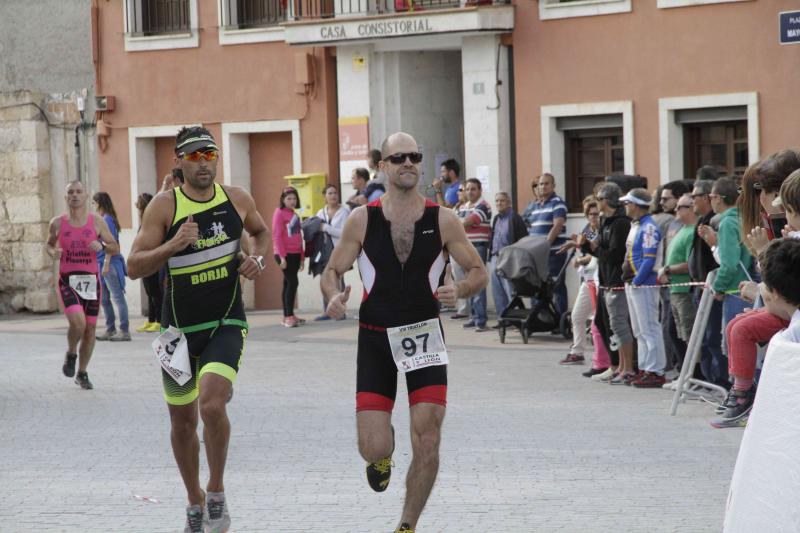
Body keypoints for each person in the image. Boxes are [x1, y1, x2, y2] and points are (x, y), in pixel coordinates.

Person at [322, 132, 488, 533]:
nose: (408, 163)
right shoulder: (363, 219)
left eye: (415, 156)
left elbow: (480, 271)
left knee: (428, 436)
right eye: (399, 158)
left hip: (424, 335)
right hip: (376, 338)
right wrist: (332, 297)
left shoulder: (443, 219)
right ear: (383, 165)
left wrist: (461, 289)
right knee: (372, 446)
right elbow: (332, 270)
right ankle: (384, 452)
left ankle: (407, 525)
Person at [127, 126, 270, 533]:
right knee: (182, 423)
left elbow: (260, 234)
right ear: (179, 161)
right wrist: (172, 245)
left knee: (211, 404)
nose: (203, 163)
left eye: (209, 155)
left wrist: (257, 261)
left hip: (226, 322)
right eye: (194, 156)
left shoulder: (237, 199)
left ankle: (217, 490)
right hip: (178, 334)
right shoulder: (164, 207)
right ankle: (194, 499)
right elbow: (134, 265)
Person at [47, 180, 120, 390]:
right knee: (78, 323)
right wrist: (54, 253)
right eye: (71, 192)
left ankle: (82, 372)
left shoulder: (96, 222)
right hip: (68, 280)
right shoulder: (58, 223)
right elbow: (48, 244)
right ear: (66, 197)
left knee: (90, 329)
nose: (75, 196)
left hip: (91, 281)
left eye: (79, 192)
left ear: (86, 196)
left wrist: (103, 245)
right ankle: (71, 352)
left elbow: (115, 246)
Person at [578, 182, 635, 384]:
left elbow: (613, 255)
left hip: (616, 281)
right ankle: (615, 365)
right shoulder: (605, 221)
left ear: (608, 201)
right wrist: (585, 245)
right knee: (603, 324)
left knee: (618, 325)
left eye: (600, 199)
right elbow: (600, 248)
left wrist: (591, 248)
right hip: (604, 281)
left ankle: (626, 366)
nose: (597, 202)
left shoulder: (621, 223)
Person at [699, 177, 753, 360]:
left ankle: (742, 388)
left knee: (735, 348)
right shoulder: (743, 218)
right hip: (749, 288)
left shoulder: (728, 223)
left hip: (735, 290)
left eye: (710, 196)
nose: (710, 200)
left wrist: (718, 287)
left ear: (718, 198)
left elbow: (729, 264)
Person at [620, 188, 667, 388]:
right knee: (639, 330)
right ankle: (644, 368)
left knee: (649, 327)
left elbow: (648, 259)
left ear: (637, 205)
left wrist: (638, 280)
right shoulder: (636, 225)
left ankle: (655, 370)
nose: (625, 206)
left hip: (643, 284)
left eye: (628, 203)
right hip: (634, 283)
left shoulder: (649, 227)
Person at [558, 197, 601, 366]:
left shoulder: (603, 230)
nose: (593, 217)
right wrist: (572, 245)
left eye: (596, 214)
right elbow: (583, 246)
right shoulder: (587, 229)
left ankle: (602, 357)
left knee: (598, 321)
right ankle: (577, 352)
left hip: (598, 279)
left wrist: (582, 260)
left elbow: (597, 251)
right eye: (590, 214)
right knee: (577, 316)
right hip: (587, 279)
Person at [688, 179, 722, 385]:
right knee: (703, 337)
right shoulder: (702, 220)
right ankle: (710, 380)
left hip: (713, 288)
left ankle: (720, 381)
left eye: (694, 196)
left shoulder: (715, 221)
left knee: (713, 337)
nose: (692, 200)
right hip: (699, 286)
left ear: (707, 197)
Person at [658, 193, 697, 369]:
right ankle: (683, 371)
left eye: (680, 207)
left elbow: (690, 264)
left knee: (687, 333)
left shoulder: (692, 231)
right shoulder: (682, 229)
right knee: (675, 333)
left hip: (684, 290)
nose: (676, 210)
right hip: (674, 288)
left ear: (690, 208)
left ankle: (694, 374)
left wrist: (668, 269)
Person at [522, 173, 569, 318]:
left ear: (553, 186)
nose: (543, 186)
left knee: (556, 286)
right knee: (536, 286)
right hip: (536, 254)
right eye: (541, 184)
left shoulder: (558, 203)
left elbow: (557, 226)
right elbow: (527, 223)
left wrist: (545, 244)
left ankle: (561, 319)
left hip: (554, 253)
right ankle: (539, 318)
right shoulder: (534, 206)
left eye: (546, 183)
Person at [92, 192, 131, 342]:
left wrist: (106, 263)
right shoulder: (105, 219)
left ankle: (124, 330)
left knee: (117, 298)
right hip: (102, 263)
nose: (93, 207)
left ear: (100, 203)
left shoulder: (107, 220)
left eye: (94, 203)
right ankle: (110, 329)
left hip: (109, 264)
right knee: (105, 299)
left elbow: (112, 245)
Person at [488, 191, 527, 326]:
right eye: (497, 201)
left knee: (510, 289)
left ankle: (516, 319)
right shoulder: (496, 218)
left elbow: (523, 239)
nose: (499, 203)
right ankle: (503, 319)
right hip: (495, 257)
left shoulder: (515, 218)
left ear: (509, 202)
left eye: (502, 201)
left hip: (509, 258)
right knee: (497, 290)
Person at [459, 178, 492, 332]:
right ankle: (473, 317)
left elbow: (468, 222)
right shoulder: (464, 206)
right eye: (467, 189)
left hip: (478, 247)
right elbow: (459, 222)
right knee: (469, 282)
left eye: (473, 189)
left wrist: (458, 224)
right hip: (466, 247)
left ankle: (480, 320)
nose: (470, 192)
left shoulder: (483, 206)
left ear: (480, 191)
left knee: (477, 282)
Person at [315, 184, 350, 321]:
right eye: (330, 193)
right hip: (324, 250)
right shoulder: (320, 212)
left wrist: (327, 228)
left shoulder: (344, 211)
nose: (333, 195)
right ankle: (327, 311)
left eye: (335, 193)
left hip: (339, 250)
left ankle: (340, 311)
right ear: (325, 196)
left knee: (338, 278)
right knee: (325, 279)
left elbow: (345, 233)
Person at [273, 186, 306, 328]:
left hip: (295, 254)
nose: (292, 201)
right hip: (284, 254)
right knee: (293, 282)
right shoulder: (279, 213)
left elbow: (299, 236)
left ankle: (288, 314)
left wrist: (302, 256)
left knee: (288, 283)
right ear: (283, 199)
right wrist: (282, 257)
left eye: (294, 198)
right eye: (289, 198)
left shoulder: (294, 214)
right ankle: (288, 317)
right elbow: (277, 235)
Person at [135, 193, 163, 333]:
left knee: (155, 293)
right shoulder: (144, 221)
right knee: (149, 292)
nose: (137, 209)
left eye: (138, 206)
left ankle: (159, 320)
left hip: (153, 262)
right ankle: (151, 320)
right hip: (145, 262)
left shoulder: (151, 220)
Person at [449, 184, 471, 318]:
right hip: (455, 246)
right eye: (459, 191)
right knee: (458, 278)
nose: (459, 193)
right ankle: (463, 309)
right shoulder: (458, 207)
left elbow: (459, 224)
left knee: (469, 278)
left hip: (467, 247)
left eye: (461, 191)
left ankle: (470, 309)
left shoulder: (471, 207)